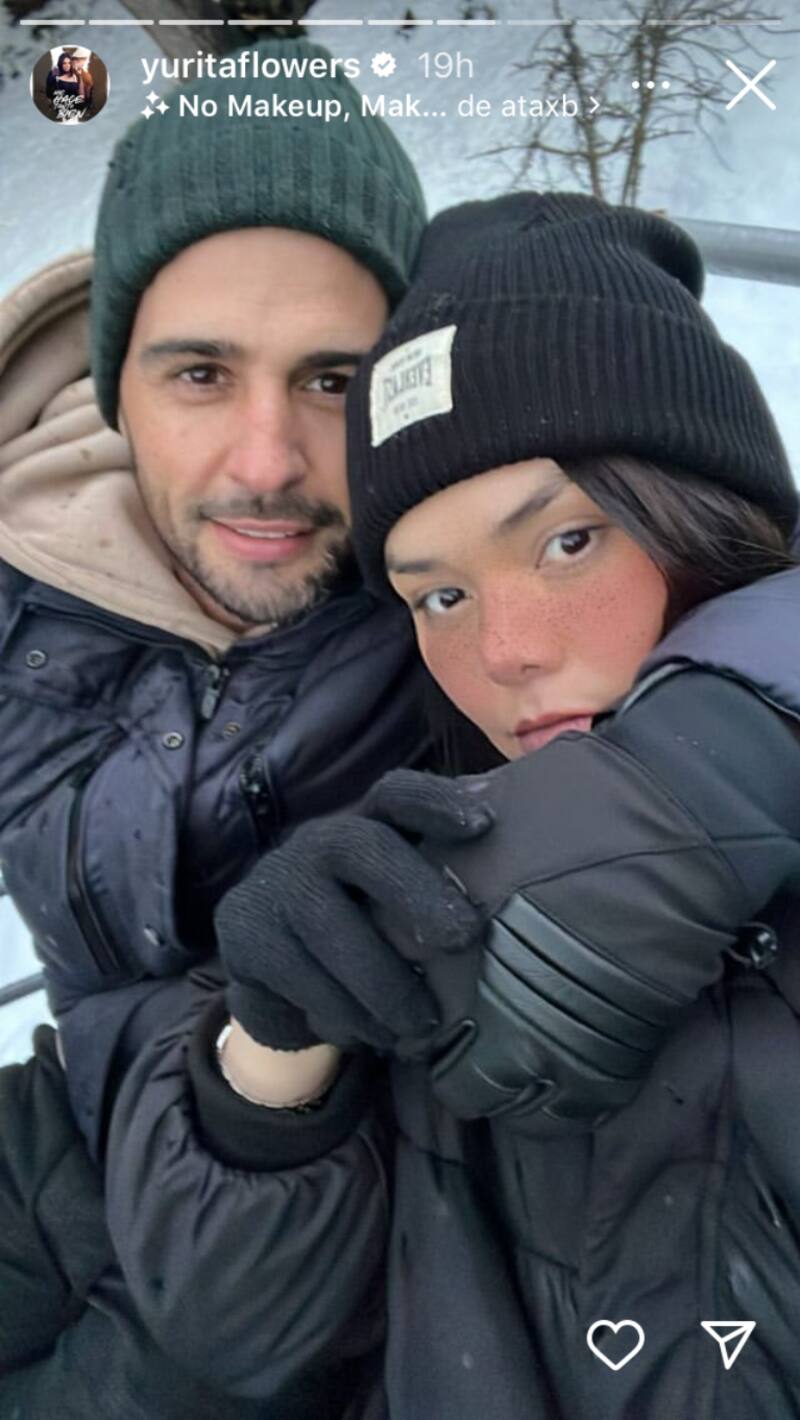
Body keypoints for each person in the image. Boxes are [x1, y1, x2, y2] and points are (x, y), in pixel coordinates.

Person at [209, 193, 800, 1419]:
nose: (503, 652)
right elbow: (238, 1334)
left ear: (705, 509)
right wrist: (275, 1058)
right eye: (437, 597)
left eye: (567, 541)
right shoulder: (438, 895)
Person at [0, 37, 427, 1416]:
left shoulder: (460, 611)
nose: (264, 462)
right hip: (69, 1133)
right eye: (198, 374)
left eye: (332, 381)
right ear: (112, 385)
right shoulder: (22, 584)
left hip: (319, 1242)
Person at [45, 52, 84, 122]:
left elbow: (81, 95)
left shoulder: (76, 75)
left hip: (74, 109)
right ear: (60, 63)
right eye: (64, 63)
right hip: (59, 109)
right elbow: (49, 91)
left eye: (69, 63)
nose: (67, 65)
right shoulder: (55, 73)